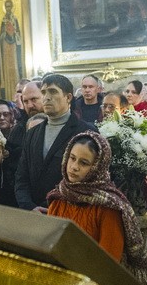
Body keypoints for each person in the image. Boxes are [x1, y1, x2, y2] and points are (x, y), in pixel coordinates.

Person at [46, 131, 147, 285]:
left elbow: (108, 263)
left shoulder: (108, 206)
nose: (74, 167)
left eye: (84, 163)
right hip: (61, 281)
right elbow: (50, 247)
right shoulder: (58, 197)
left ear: (97, 167)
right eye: (72, 158)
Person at [15, 74, 92, 211]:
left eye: (53, 91)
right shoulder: (32, 133)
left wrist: (52, 207)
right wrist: (29, 206)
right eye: (44, 92)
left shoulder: (85, 131)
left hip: (69, 211)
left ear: (68, 97)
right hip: (34, 213)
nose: (47, 97)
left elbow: (88, 179)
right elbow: (22, 176)